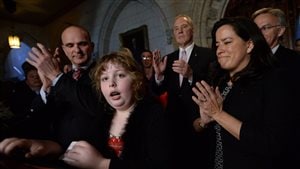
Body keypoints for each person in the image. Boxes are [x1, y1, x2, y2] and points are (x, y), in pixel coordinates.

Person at [0, 50, 169, 169]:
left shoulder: (152, 114)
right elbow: (78, 145)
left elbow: (159, 165)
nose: (111, 83)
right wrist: (44, 146)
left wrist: (102, 164)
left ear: (136, 81)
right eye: (104, 78)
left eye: (120, 75)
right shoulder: (103, 113)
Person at [191, 17, 294, 169]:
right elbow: (198, 127)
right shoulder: (220, 82)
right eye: (217, 44)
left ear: (249, 45)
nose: (219, 50)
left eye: (227, 42)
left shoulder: (274, 80)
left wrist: (219, 115)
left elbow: (273, 145)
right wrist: (203, 122)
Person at [25, 25, 103, 150]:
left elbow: (96, 106)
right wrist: (46, 87)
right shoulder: (62, 77)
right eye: (70, 45)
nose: (77, 50)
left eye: (82, 44)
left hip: (93, 154)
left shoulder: (105, 73)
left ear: (91, 46)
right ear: (63, 49)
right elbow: (39, 118)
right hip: (59, 154)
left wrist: (55, 75)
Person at [152, 14, 214, 168]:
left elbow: (213, 83)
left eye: (184, 27)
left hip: (199, 122)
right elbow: (157, 91)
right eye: (176, 29)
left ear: (192, 30)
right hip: (174, 124)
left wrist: (191, 75)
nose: (180, 31)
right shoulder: (168, 59)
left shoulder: (207, 54)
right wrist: (158, 76)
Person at [6, 61, 51, 139]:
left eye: (38, 76)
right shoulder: (19, 96)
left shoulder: (50, 91)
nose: (36, 79)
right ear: (26, 80)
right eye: (32, 76)